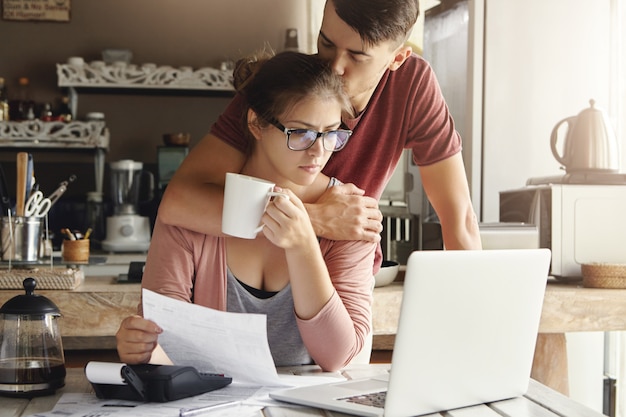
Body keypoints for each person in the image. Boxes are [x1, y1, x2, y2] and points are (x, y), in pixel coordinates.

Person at [158, 0, 482, 272]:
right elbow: (180, 202)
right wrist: (315, 218)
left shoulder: (412, 86)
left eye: (356, 55)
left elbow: (460, 219)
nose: (334, 66)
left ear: (396, 58)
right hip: (259, 271)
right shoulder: (282, 88)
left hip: (346, 274)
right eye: (326, 43)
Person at [116, 52, 377, 372]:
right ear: (257, 124)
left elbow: (338, 356)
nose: (317, 151)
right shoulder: (191, 213)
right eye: (300, 132)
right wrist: (141, 348)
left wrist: (304, 245)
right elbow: (166, 344)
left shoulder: (348, 214)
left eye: (331, 133)